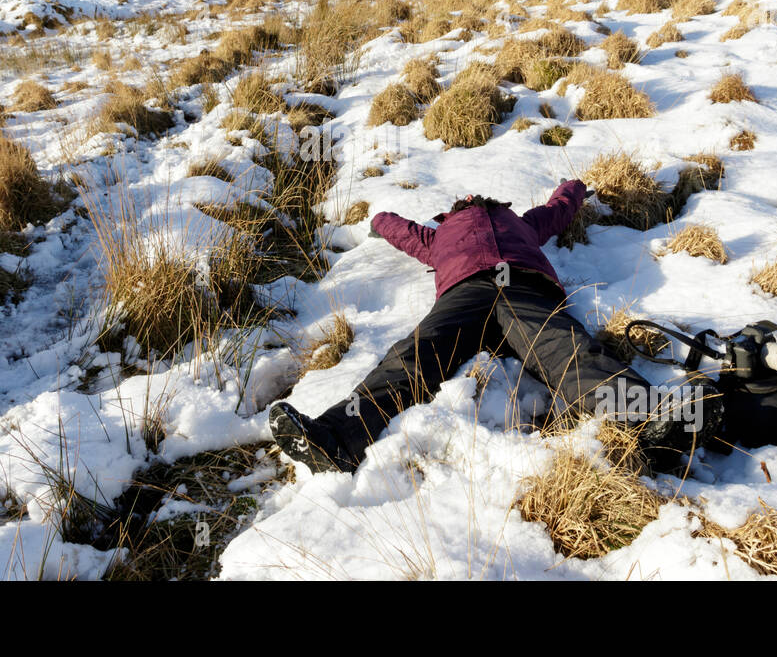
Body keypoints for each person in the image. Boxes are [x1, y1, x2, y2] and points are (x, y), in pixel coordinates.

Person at [268, 180, 721, 475]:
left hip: (524, 288)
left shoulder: (520, 223)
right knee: (415, 354)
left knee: (568, 350)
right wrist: (379, 218)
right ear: (450, 213)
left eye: (476, 201)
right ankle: (335, 437)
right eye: (463, 203)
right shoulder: (439, 235)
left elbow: (558, 210)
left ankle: (649, 421)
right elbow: (401, 231)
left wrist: (578, 187)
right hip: (464, 295)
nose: (471, 202)